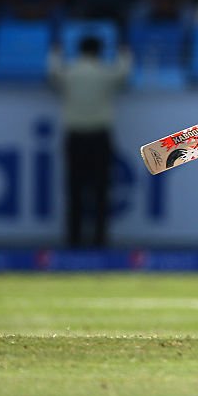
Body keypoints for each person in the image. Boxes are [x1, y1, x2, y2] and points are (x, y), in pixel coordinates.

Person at [48, 35, 132, 248]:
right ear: (100, 51)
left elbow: (52, 72)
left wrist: (55, 51)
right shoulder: (105, 73)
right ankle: (99, 239)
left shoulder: (70, 72)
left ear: (79, 50)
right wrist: (124, 50)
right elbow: (124, 73)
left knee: (74, 189)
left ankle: (73, 239)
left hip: (75, 137)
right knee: (101, 190)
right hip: (99, 137)